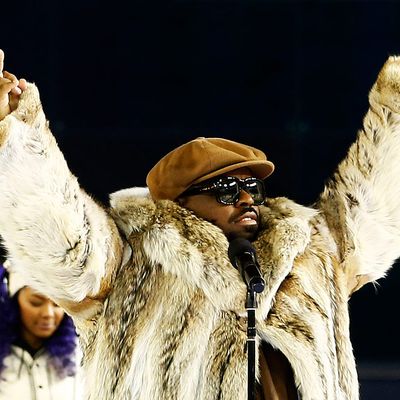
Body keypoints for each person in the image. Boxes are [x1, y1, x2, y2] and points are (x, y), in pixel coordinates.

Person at [0, 48, 399, 400]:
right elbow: (54, 223)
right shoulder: (129, 261)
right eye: (227, 189)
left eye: (253, 188)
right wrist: (14, 129)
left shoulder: (311, 255)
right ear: (182, 203)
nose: (246, 199)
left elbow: (374, 201)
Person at [0, 263, 82, 399]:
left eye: (58, 304)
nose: (48, 313)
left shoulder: (79, 355)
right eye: (36, 302)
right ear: (13, 302)